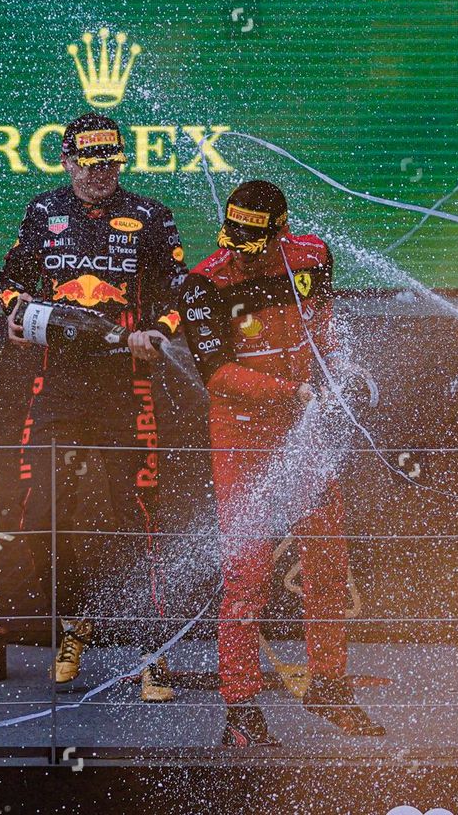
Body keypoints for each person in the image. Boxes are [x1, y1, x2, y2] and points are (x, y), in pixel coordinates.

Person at [184, 180, 385, 746]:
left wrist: (343, 369)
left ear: (280, 229)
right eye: (234, 239)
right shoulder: (204, 280)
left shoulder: (313, 256)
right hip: (243, 438)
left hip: (307, 433)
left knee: (326, 562)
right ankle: (242, 710)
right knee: (247, 576)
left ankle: (330, 686)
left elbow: (326, 330)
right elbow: (217, 376)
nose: (239, 253)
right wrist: (294, 394)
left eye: (253, 242)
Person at [0, 111, 188, 701]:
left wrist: (156, 332)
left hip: (127, 389)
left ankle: (153, 652)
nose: (100, 171)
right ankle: (75, 626)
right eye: (89, 160)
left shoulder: (151, 215)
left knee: (139, 516)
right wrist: (15, 315)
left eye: (111, 160)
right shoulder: (42, 212)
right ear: (67, 160)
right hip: (57, 388)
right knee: (41, 512)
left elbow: (180, 292)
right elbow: (8, 281)